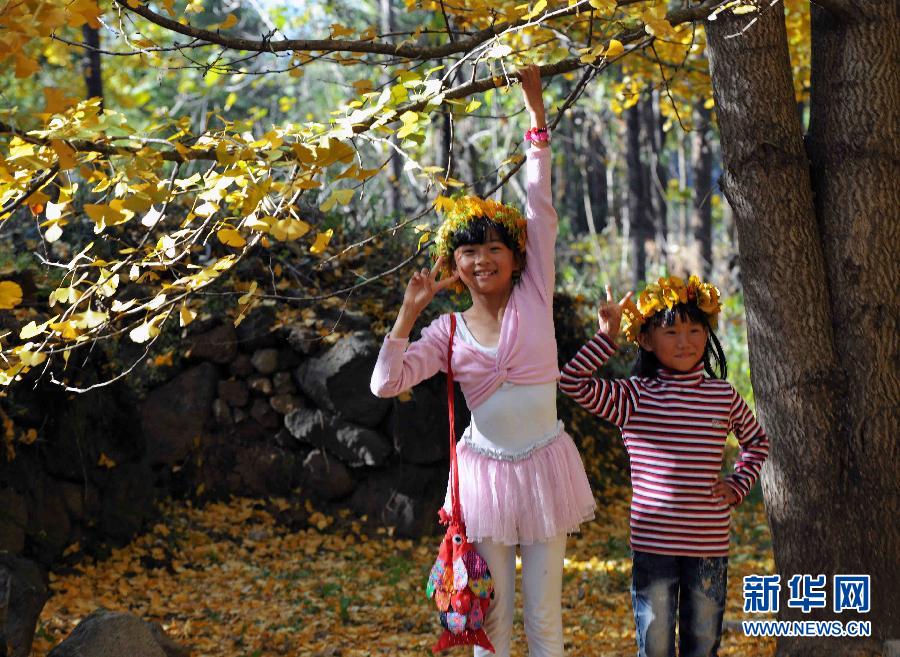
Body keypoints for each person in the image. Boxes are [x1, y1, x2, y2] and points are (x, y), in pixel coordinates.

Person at [370, 65, 594, 657]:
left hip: (545, 467)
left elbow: (540, 208)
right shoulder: (447, 332)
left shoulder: (534, 293)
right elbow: (384, 383)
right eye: (469, 251)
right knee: (488, 622)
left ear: (515, 258)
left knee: (544, 619)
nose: (482, 259)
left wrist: (537, 118)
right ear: (456, 263)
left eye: (494, 248)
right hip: (483, 478)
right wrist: (409, 312)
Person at [559, 277, 769, 657]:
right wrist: (607, 336)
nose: (685, 341)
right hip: (653, 544)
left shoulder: (722, 395)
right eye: (671, 332)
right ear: (646, 340)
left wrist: (737, 484)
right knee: (655, 645)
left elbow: (756, 441)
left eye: (694, 330)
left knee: (703, 643)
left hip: (709, 546)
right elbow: (573, 383)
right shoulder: (633, 397)